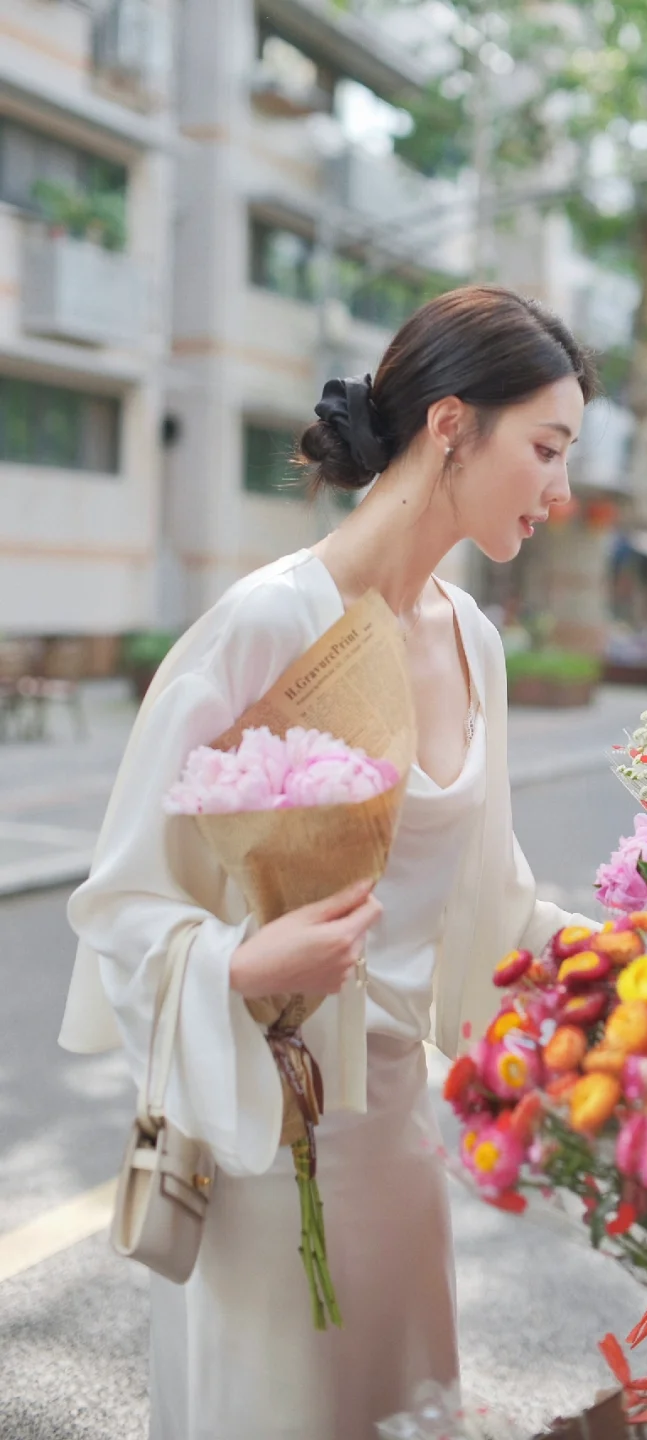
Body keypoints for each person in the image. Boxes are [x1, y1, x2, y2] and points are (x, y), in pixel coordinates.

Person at [59, 285, 599, 1440]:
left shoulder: (476, 640)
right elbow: (121, 901)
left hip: (398, 1137)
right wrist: (245, 966)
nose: (561, 492)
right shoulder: (264, 624)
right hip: (267, 1136)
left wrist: (642, 960)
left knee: (397, 1403)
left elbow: (492, 902)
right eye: (546, 450)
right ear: (451, 424)